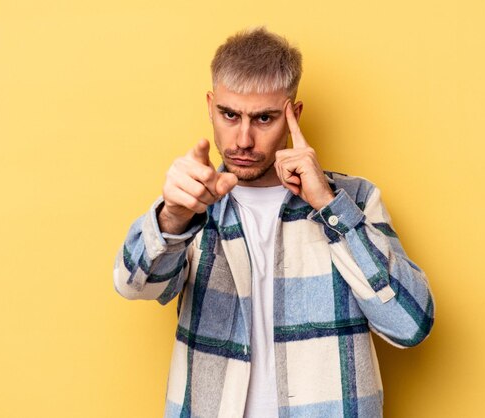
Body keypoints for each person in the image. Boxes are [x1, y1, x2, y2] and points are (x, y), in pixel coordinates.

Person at [114, 27, 434, 418]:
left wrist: (329, 206)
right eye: (229, 115)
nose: (243, 139)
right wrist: (175, 217)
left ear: (292, 115)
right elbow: (133, 286)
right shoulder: (195, 198)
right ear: (211, 106)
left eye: (263, 118)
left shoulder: (356, 199)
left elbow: (410, 325)